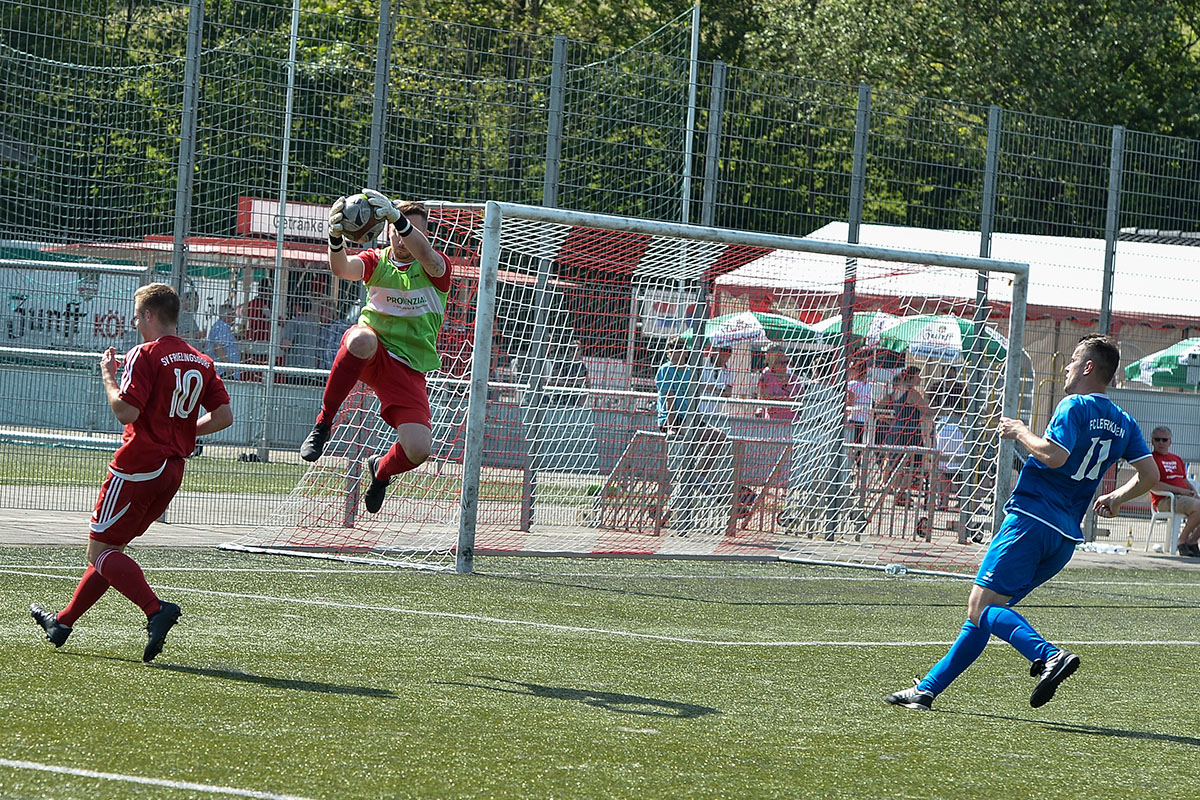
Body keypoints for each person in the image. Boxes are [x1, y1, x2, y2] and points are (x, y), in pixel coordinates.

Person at [885, 334, 1158, 711]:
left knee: (981, 609)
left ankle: (1049, 656)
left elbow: (1054, 455)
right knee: (987, 614)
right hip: (1063, 539)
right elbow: (1149, 474)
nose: (1067, 366)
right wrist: (1115, 497)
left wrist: (1018, 431)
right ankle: (927, 690)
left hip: (1030, 521)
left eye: (1074, 359)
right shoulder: (1124, 422)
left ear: (1089, 367)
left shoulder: (1073, 405)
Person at [30, 283, 233, 662]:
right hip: (172, 471)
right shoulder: (202, 361)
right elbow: (224, 417)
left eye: (138, 314)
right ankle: (62, 622)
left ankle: (156, 609)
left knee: (99, 551)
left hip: (137, 466)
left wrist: (107, 374)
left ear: (151, 316)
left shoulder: (144, 354)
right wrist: (186, 429)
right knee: (113, 551)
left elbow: (126, 412)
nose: (134, 320)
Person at [298, 190, 451, 515]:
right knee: (360, 340)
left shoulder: (436, 268)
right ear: (388, 232)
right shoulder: (376, 260)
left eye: (411, 229)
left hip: (407, 368)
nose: (402, 236)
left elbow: (428, 256)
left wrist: (398, 217)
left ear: (423, 235)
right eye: (397, 228)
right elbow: (342, 268)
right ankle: (324, 424)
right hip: (373, 350)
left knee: (418, 449)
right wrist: (334, 237)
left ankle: (380, 472)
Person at [1146, 425, 1200, 557]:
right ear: (1152, 441)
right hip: (1165, 500)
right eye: (1157, 439)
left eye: (1164, 440)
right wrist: (1180, 491)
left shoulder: (1177, 459)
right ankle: (1181, 541)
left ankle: (1192, 541)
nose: (1161, 443)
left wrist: (1194, 492)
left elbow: (1184, 479)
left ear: (1170, 442)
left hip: (1184, 497)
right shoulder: (1149, 460)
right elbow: (1153, 485)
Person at [655, 335, 694, 434]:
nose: (675, 354)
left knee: (719, 437)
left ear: (686, 352)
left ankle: (694, 450)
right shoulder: (666, 369)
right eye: (672, 351)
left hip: (687, 417)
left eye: (679, 350)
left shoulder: (690, 371)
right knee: (693, 435)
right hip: (671, 419)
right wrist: (671, 427)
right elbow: (669, 398)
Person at [281, 297, 324, 385]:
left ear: (298, 307)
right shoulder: (314, 325)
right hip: (310, 369)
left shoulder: (293, 322)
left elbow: (286, 345)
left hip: (295, 369)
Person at [756, 343, 801, 423]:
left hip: (792, 421)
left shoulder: (794, 379)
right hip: (773, 422)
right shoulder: (766, 376)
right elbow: (762, 399)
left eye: (786, 362)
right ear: (773, 363)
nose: (784, 365)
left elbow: (801, 400)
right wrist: (785, 400)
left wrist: (780, 400)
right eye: (781, 362)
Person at [205, 302, 242, 380]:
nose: (234, 317)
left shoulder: (220, 326)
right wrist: (228, 366)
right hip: (224, 373)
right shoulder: (222, 328)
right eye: (232, 314)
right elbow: (218, 346)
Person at [699, 346, 734, 417]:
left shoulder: (729, 372)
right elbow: (695, 385)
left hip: (716, 413)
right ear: (715, 352)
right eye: (722, 358)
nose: (724, 361)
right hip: (699, 410)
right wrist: (714, 389)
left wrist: (714, 390)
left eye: (727, 359)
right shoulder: (702, 364)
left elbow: (727, 394)